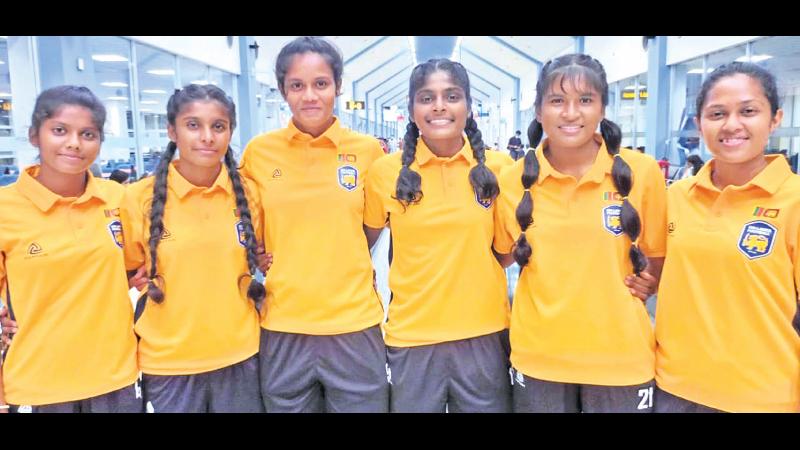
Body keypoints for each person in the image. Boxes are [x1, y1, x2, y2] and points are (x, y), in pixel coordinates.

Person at [494, 54, 667, 413]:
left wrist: (647, 282)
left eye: (585, 100)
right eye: (557, 101)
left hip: (621, 361)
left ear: (603, 107)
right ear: (539, 111)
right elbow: (501, 256)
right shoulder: (512, 182)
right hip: (539, 358)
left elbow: (657, 260)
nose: (571, 113)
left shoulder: (642, 172)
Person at [239, 36, 389, 413]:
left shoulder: (368, 152)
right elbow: (247, 222)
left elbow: (370, 229)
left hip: (353, 325)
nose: (310, 96)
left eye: (320, 84)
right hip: (284, 324)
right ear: (283, 91)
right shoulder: (259, 153)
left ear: (338, 86)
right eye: (297, 86)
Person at [364, 59, 514, 413]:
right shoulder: (385, 173)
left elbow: (505, 252)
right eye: (427, 97)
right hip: (412, 337)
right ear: (412, 108)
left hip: (483, 334)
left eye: (452, 95)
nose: (439, 106)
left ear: (468, 105)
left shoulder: (499, 169)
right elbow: (362, 244)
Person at [654, 62, 800, 413]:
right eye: (717, 113)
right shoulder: (675, 197)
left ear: (775, 118)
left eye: (748, 111)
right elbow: (660, 273)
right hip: (674, 387)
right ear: (700, 122)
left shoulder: (793, 199)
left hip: (764, 396)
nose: (731, 125)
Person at [118, 84, 269, 413]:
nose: (207, 137)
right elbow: (127, 271)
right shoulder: (137, 198)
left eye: (218, 126)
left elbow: (261, 256)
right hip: (170, 365)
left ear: (230, 132)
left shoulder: (250, 194)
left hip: (241, 356)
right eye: (193, 125)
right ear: (172, 130)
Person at [0, 86, 140, 413]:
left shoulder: (118, 199)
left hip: (115, 377)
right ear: (35, 136)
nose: (74, 143)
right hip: (40, 383)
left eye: (88, 133)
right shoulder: (5, 208)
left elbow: (138, 267)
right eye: (60, 130)